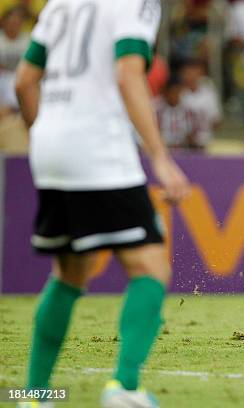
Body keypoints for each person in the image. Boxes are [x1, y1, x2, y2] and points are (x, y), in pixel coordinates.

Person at [14, 0, 190, 407]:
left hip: (49, 144)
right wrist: (160, 156)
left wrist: (46, 136)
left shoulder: (60, 4)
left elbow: (24, 80)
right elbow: (128, 73)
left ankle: (34, 395)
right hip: (97, 144)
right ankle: (125, 389)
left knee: (69, 271)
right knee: (150, 265)